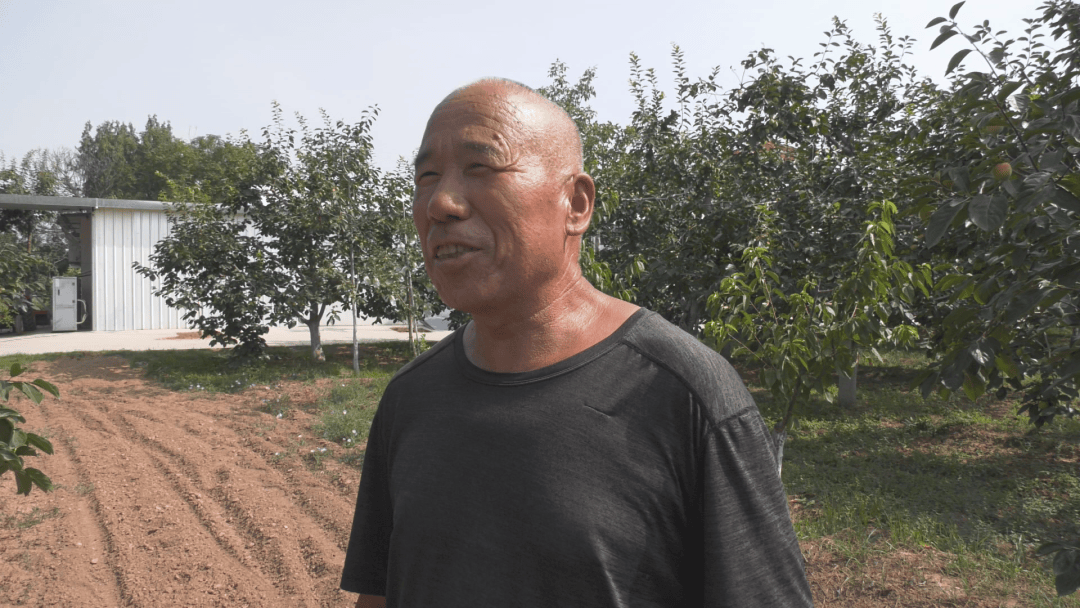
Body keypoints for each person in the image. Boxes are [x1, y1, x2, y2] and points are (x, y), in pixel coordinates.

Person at [340, 78, 813, 607]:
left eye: (481, 167)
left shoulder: (683, 395)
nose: (440, 204)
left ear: (576, 204)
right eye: (426, 177)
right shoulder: (411, 398)